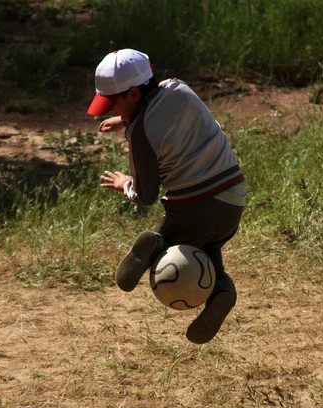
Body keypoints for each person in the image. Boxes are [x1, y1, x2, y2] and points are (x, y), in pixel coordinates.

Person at [87, 48, 247, 344]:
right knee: (209, 248)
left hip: (193, 204)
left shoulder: (139, 133)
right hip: (234, 196)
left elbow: (146, 195)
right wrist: (125, 120)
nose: (109, 109)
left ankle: (156, 243)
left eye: (113, 103)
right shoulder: (178, 87)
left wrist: (125, 183)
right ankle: (222, 289)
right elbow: (166, 113)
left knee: (171, 242)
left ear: (134, 93)